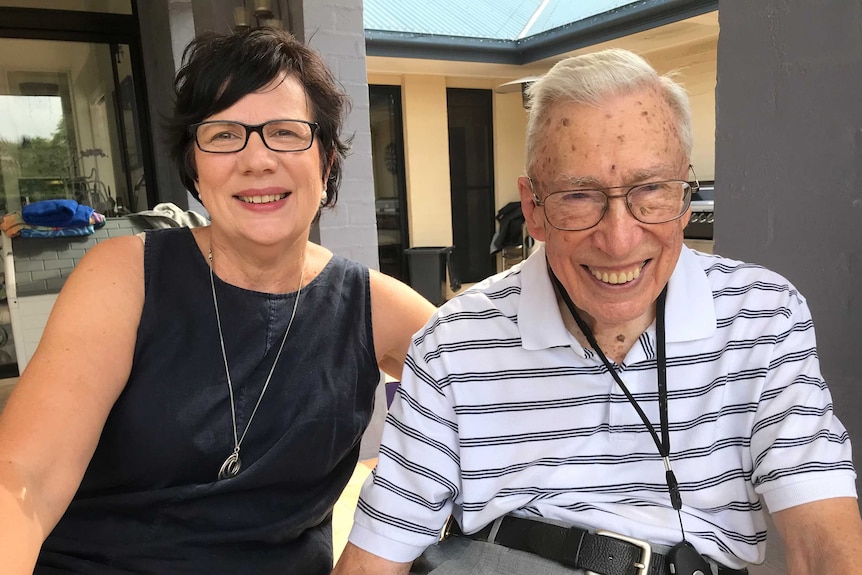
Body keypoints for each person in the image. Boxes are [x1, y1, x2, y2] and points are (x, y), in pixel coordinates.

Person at [333, 48, 862, 575]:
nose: (618, 239)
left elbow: (824, 542)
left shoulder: (763, 316)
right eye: (579, 196)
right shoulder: (453, 342)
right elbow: (374, 561)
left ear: (686, 197)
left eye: (651, 190)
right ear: (533, 208)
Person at [0, 27, 435, 575]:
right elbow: (23, 481)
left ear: (325, 165)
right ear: (196, 172)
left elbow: (497, 386)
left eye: (284, 132)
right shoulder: (125, 276)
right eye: (226, 135)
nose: (257, 160)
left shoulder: (374, 307)